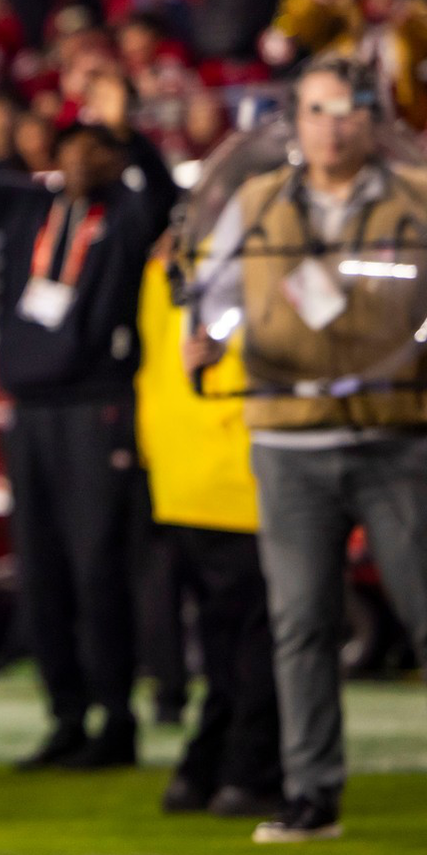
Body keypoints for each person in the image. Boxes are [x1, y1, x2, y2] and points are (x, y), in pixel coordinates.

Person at [0, 62, 179, 771]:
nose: (82, 155)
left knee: (98, 565)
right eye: (72, 142)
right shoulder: (28, 209)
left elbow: (166, 195)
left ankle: (116, 716)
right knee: (43, 568)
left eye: (96, 145)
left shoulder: (128, 218)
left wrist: (129, 131)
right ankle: (66, 713)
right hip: (32, 415)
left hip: (95, 408)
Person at [191, 55, 427, 843]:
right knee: (299, 624)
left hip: (397, 431)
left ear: (373, 117)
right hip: (288, 439)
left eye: (349, 108)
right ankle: (312, 792)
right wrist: (206, 339)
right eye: (318, 110)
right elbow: (217, 297)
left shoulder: (418, 197)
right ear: (295, 122)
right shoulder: (255, 202)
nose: (334, 125)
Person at [135, 237, 281, 820]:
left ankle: (221, 760)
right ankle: (244, 765)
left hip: (194, 474)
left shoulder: (168, 272)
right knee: (249, 636)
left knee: (232, 635)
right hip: (229, 474)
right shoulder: (254, 262)